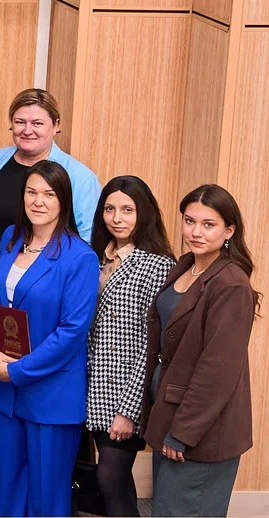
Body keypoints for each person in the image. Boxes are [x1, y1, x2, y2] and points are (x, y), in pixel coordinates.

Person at [0, 89, 99, 506]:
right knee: (9, 489)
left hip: (48, 392)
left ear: (65, 201)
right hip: (5, 387)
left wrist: (19, 369)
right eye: (31, 193)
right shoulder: (10, 238)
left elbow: (72, 332)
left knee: (46, 496)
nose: (38, 201)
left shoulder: (80, 257)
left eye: (49, 195)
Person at [140, 184, 257, 517]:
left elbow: (217, 371)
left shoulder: (230, 283)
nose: (196, 232)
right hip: (170, 411)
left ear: (229, 230)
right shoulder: (186, 265)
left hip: (200, 428)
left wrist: (183, 432)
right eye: (189, 221)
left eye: (208, 224)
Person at [85, 175, 175, 517]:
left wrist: (128, 410)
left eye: (127, 210)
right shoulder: (95, 257)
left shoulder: (158, 264)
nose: (117, 218)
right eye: (109, 209)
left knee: (110, 477)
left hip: (125, 392)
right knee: (115, 481)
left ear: (143, 213)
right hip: (93, 387)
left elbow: (152, 347)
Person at [0, 89, 101, 243]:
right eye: (20, 122)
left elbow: (89, 240)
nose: (27, 131)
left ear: (56, 125)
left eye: (37, 123)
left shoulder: (80, 178)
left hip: (48, 259)